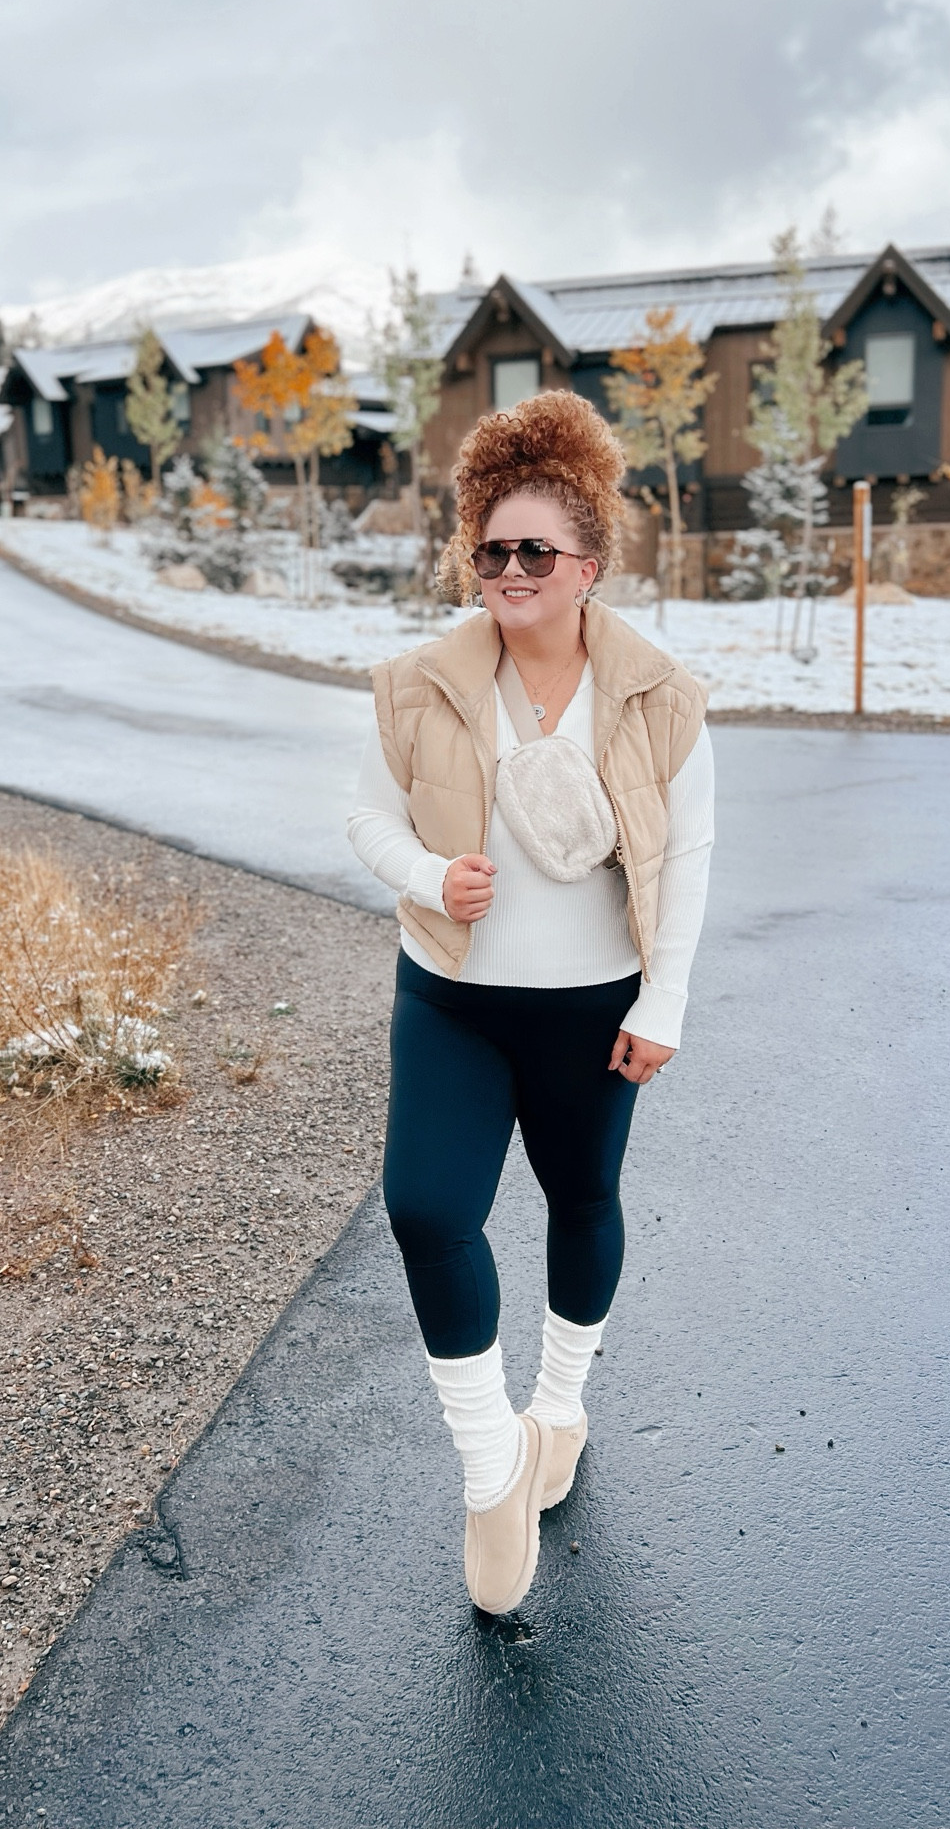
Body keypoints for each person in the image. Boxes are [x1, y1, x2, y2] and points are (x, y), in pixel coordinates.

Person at [347, 389, 714, 1615]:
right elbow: (365, 815)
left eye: (534, 550)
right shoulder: (416, 683)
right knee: (426, 1210)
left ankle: (558, 1408)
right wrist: (424, 873)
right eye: (489, 547)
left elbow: (692, 857)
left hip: (591, 1004)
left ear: (587, 565)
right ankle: (490, 1466)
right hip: (451, 994)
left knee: (582, 1197)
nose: (507, 567)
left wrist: (664, 999)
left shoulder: (659, 693)